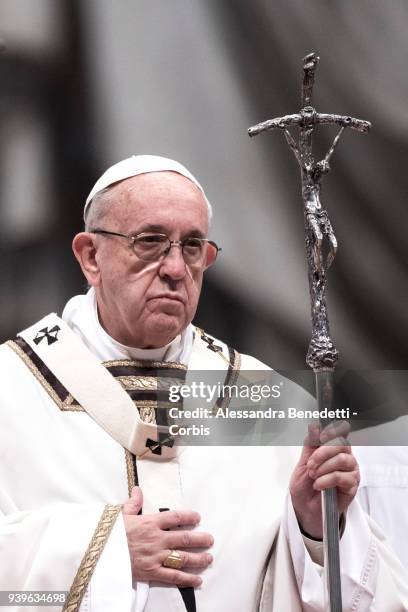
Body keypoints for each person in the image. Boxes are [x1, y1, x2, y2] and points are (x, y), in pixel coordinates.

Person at [0, 155, 407, 612]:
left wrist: (314, 529)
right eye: (150, 241)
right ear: (91, 256)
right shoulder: (12, 389)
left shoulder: (262, 400)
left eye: (192, 246)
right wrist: (104, 556)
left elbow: (362, 595)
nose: (175, 269)